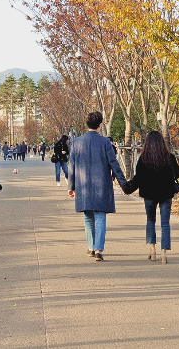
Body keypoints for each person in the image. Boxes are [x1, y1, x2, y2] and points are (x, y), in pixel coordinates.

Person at [68, 112, 127, 262]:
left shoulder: (77, 142)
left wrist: (71, 186)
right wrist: (123, 184)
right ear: (100, 125)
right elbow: (114, 164)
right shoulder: (105, 142)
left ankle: (90, 247)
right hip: (101, 184)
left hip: (83, 186)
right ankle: (99, 249)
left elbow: (72, 166)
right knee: (100, 216)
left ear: (86, 124)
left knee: (88, 217)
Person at [123, 130, 179, 264]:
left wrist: (127, 189)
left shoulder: (144, 159)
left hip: (149, 194)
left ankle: (152, 249)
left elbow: (138, 178)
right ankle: (164, 253)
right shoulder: (169, 157)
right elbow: (176, 174)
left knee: (150, 221)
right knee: (165, 223)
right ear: (162, 142)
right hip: (166, 193)